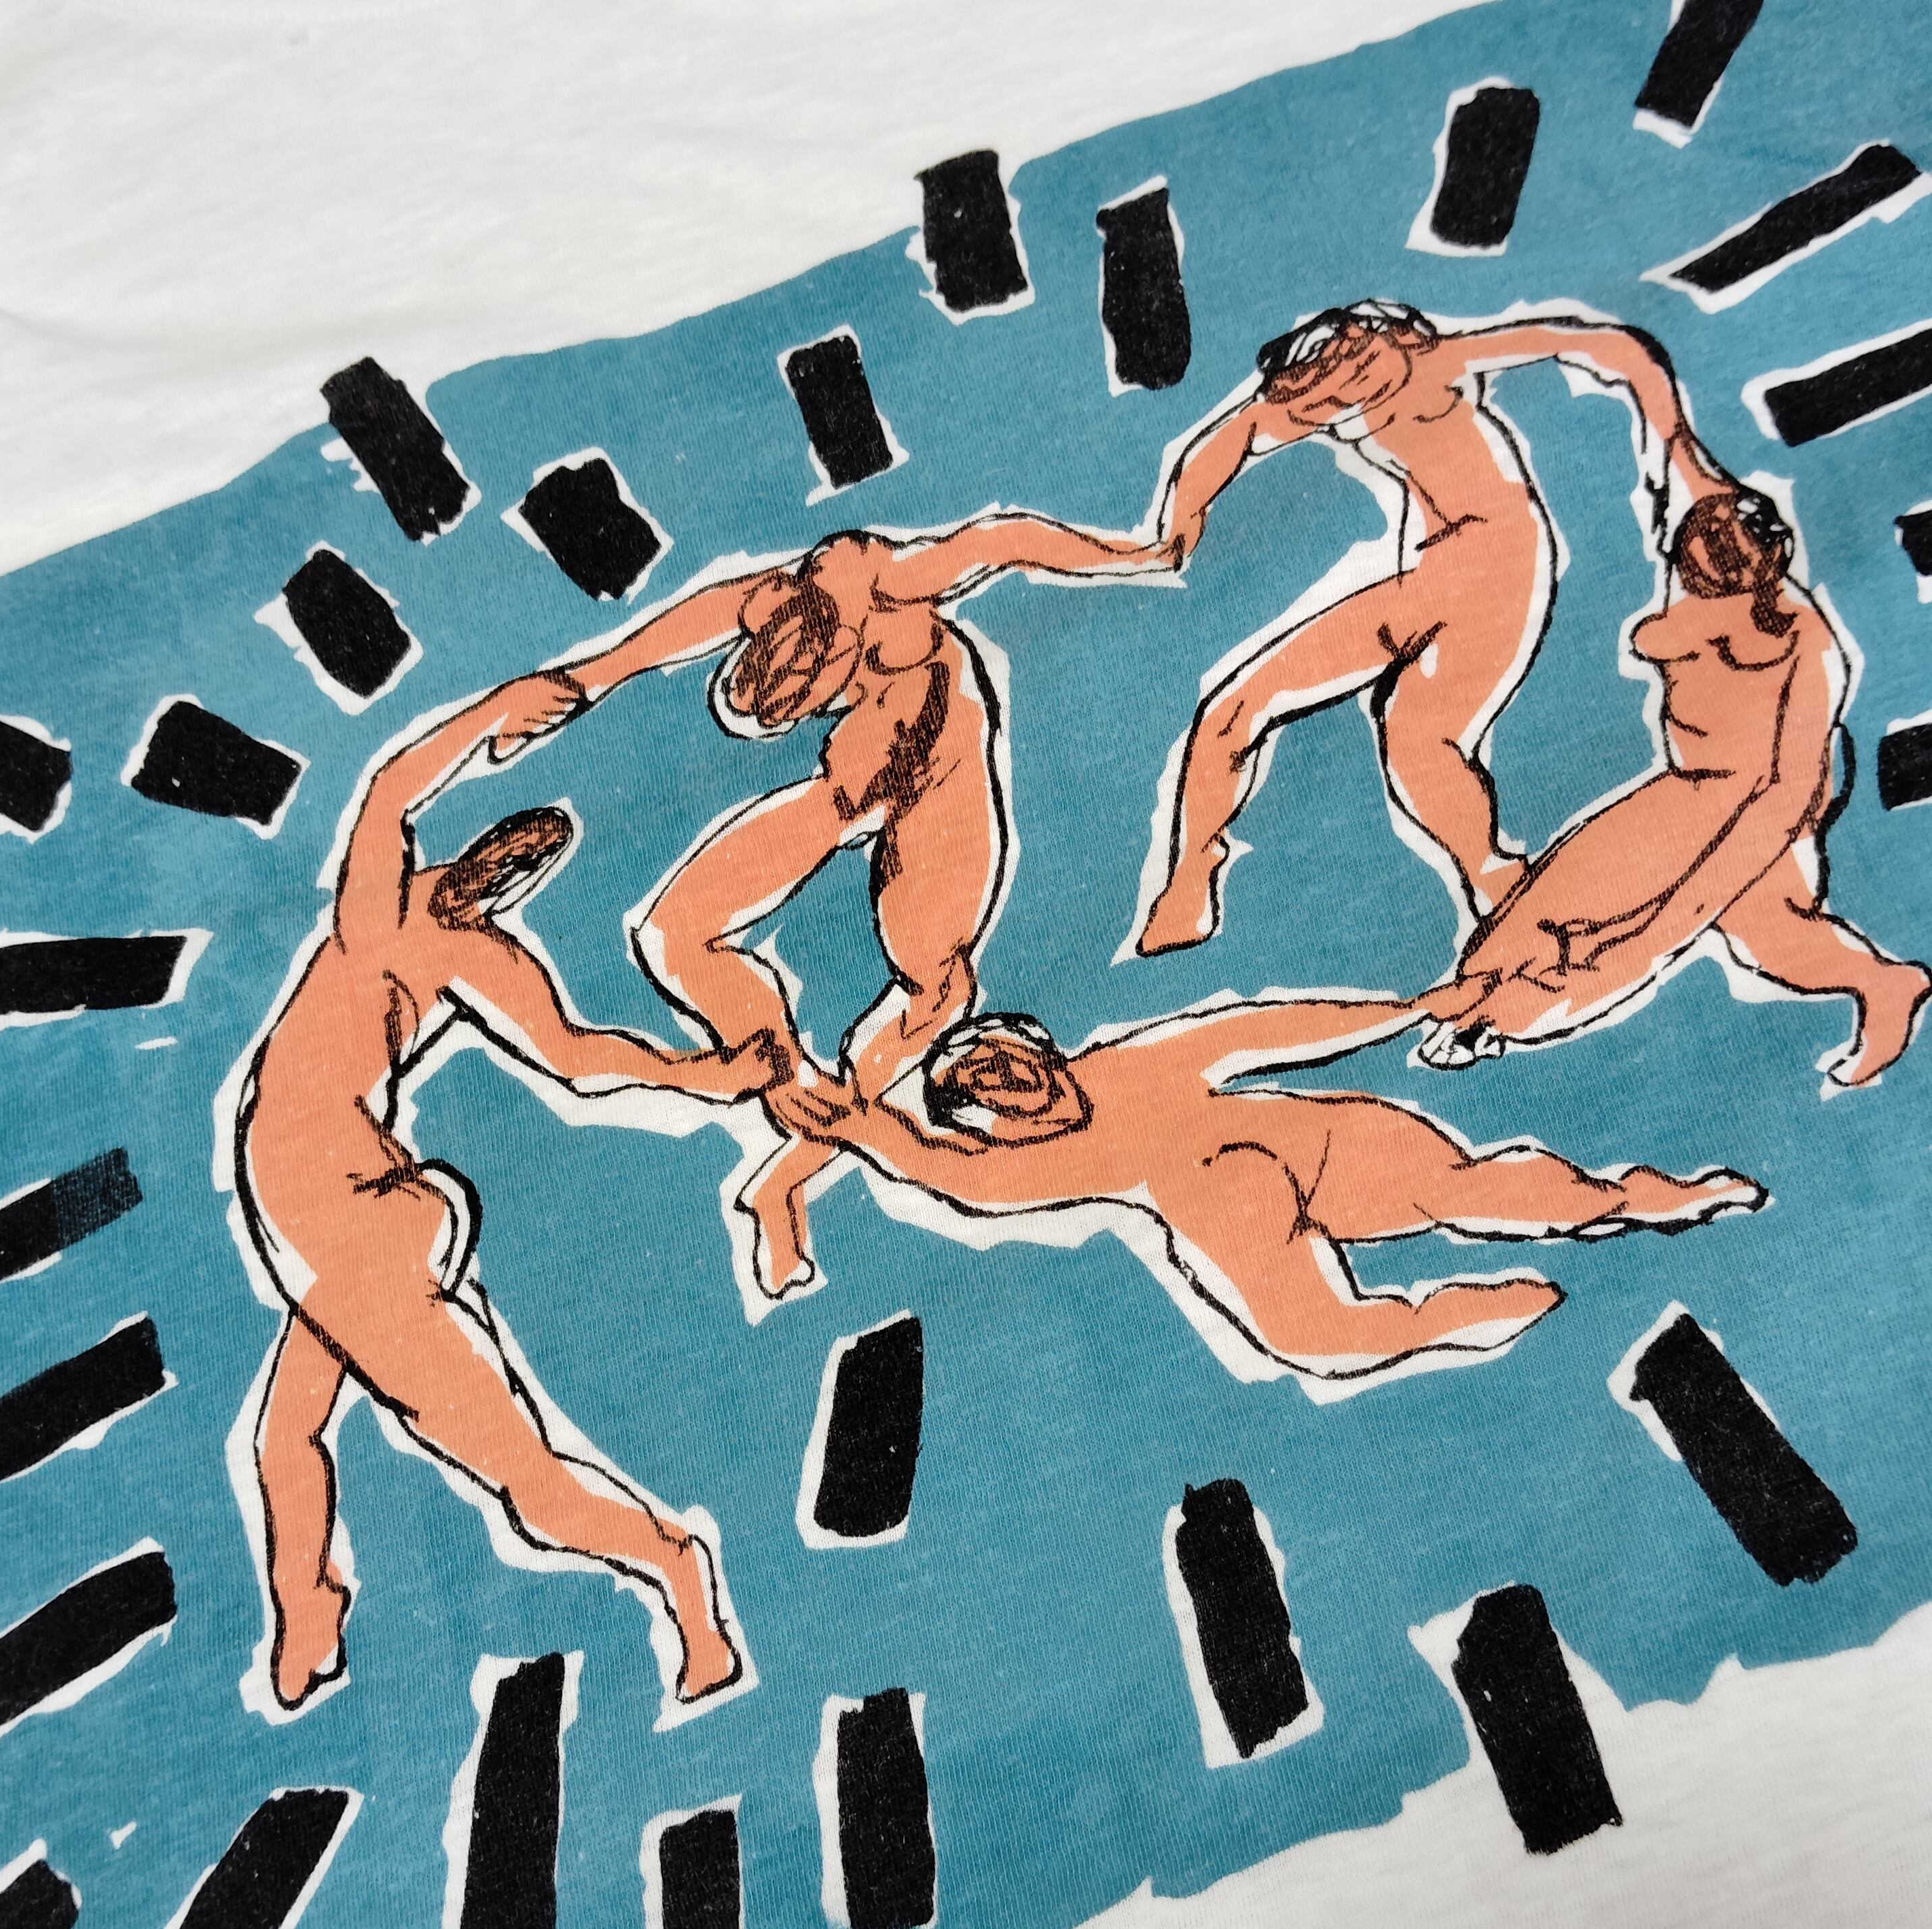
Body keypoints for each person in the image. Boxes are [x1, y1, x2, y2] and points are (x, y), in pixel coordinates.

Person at [234, 678, 774, 1711]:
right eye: (503, 853)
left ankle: (680, 1576)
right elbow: (392, 788)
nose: (501, 875)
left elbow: (577, 1056)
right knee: (284, 1436)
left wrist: (711, 1076)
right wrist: (495, 714)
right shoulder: (379, 910)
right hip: (339, 1222)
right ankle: (310, 1609)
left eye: (522, 872)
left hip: (356, 1226)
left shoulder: (462, 952)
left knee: (527, 1484)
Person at [490, 514, 1167, 1297]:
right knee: (672, 933)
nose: (816, 710)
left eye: (816, 698)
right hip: (850, 784)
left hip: (938, 773)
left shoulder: (889, 582)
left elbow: (1000, 542)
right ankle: (781, 1070)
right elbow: (687, 623)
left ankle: (785, 1179)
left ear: (842, 653)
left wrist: (1133, 554)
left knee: (937, 990)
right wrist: (585, 680)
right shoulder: (771, 600)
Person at [769, 994, 1763, 1385]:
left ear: (1044, 1049)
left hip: (1310, 1142)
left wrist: (1409, 1010)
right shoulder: (1032, 1159)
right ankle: (1471, 1309)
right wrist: (859, 1126)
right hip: (1230, 1195)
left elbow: (1266, 1030)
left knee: (1480, 1192)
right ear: (990, 1116)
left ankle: (1639, 1199)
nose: (1018, 1089)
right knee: (1322, 1336)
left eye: (1014, 1067)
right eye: (993, 1092)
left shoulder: (1130, 1062)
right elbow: (941, 1168)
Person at [1133, 298, 1716, 954]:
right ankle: (1191, 884)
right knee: (1252, 713)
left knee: (1407, 739)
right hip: (1440, 573)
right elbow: (1239, 432)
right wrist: (1172, 531)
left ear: (1389, 333)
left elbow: (1610, 346)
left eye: (1360, 348)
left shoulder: (1436, 363)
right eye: (1334, 375)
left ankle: (1497, 886)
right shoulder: (1338, 397)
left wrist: (1687, 463)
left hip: (1495, 565)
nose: (1355, 371)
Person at [1419, 488, 1931, 1085]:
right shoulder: (1692, 591)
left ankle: (1497, 1020)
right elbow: (1684, 474)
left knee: (1728, 931)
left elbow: (1790, 783)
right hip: (1693, 785)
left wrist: (1718, 873)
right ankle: (1481, 999)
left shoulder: (1806, 642)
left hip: (1766, 805)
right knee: (1573, 894)